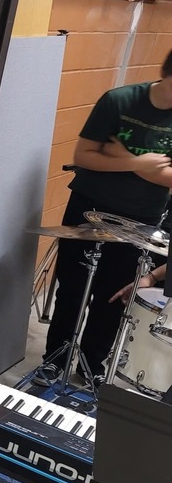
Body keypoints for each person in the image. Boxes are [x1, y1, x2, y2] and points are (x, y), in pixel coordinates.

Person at [40, 49, 172, 388]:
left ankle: (91, 365)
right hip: (88, 205)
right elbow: (83, 156)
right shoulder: (119, 101)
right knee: (72, 287)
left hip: (142, 216)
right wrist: (139, 163)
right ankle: (54, 359)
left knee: (113, 296)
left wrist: (119, 155)